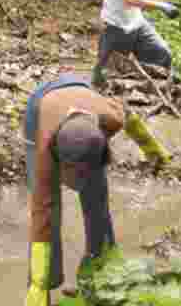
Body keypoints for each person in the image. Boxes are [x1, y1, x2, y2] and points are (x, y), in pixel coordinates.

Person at [24, 73, 125, 306]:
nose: (78, 181)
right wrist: (38, 283)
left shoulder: (112, 119)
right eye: (74, 174)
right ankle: (46, 283)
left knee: (97, 198)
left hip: (85, 98)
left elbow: (129, 117)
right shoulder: (45, 152)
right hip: (41, 106)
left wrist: (153, 150)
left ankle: (100, 268)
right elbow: (42, 216)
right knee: (50, 209)